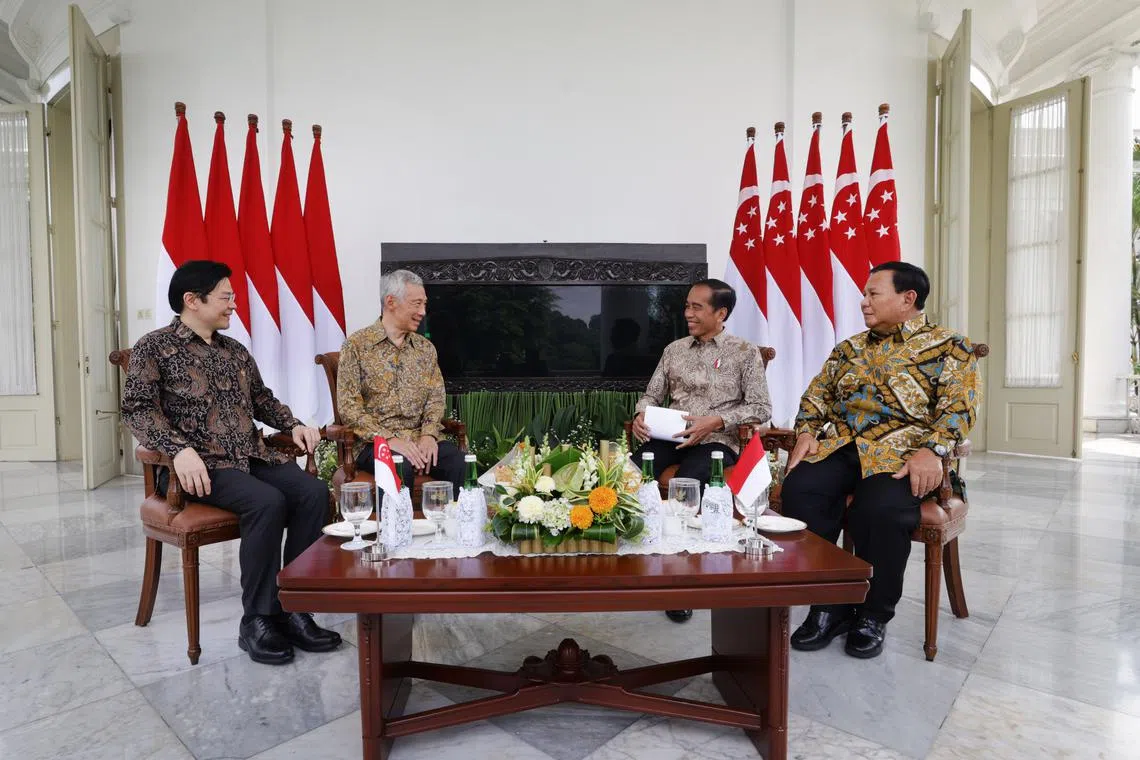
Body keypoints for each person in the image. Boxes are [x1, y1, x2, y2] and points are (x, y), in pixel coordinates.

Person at [121, 260, 340, 666]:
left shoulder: (235, 351)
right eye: (226, 297)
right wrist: (178, 449)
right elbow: (136, 408)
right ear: (192, 300)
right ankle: (257, 619)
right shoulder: (154, 347)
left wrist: (292, 424)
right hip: (200, 466)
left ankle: (294, 609)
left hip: (251, 454)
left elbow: (261, 399)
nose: (234, 305)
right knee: (267, 502)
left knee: (312, 492)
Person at [781, 261, 981, 659]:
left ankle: (874, 614)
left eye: (874, 294)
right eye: (865, 294)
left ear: (908, 299)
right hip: (843, 446)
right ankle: (828, 605)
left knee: (880, 509)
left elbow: (959, 409)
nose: (864, 302)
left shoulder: (951, 347)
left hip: (903, 453)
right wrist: (806, 430)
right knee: (801, 489)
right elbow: (816, 396)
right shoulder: (849, 348)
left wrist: (934, 450)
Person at [630, 278, 771, 623]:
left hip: (716, 442)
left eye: (697, 307)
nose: (688, 313)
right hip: (668, 436)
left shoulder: (744, 352)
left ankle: (681, 583)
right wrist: (639, 414)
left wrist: (717, 420)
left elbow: (761, 407)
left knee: (687, 487)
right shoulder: (674, 349)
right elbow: (651, 394)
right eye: (687, 306)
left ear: (721, 313)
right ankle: (633, 558)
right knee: (631, 474)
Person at [338, 269, 465, 496]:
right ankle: (397, 531)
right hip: (373, 444)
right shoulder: (356, 346)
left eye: (424, 304)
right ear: (391, 302)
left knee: (459, 462)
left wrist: (428, 435)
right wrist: (389, 439)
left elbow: (436, 398)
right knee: (398, 466)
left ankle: (452, 530)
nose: (422, 312)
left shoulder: (425, 349)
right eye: (416, 304)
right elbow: (349, 408)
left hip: (419, 438)